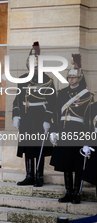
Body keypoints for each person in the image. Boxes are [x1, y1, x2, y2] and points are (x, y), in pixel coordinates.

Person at [50, 54, 93, 204]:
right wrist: (54, 130)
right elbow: (56, 112)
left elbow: (89, 118)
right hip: (63, 131)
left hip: (78, 132)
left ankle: (77, 193)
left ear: (79, 78)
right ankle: (68, 192)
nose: (71, 80)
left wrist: (88, 140)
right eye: (69, 77)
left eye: (74, 77)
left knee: (78, 163)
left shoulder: (87, 94)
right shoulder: (62, 93)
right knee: (66, 162)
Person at [12, 41, 56, 187]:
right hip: (26, 117)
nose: (34, 67)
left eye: (36, 65)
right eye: (31, 65)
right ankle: (29, 175)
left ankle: (39, 176)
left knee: (39, 148)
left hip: (39, 116)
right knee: (27, 147)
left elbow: (52, 101)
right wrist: (16, 115)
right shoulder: (22, 79)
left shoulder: (48, 80)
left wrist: (47, 119)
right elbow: (17, 100)